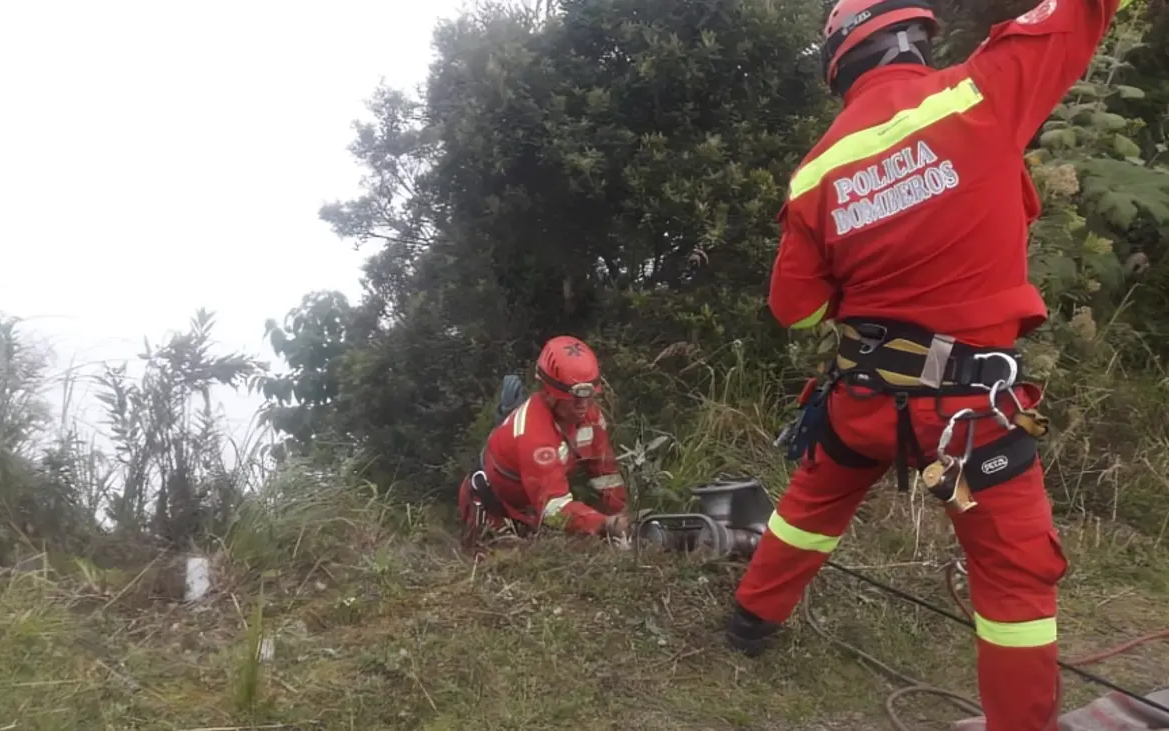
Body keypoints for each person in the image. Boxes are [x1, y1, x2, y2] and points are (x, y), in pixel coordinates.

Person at [725, 0, 1131, 728]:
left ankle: (751, 620)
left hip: (864, 399)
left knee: (811, 507)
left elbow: (797, 310)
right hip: (971, 417)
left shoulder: (817, 171)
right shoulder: (980, 92)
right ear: (916, 37)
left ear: (839, 63)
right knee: (1014, 583)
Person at [458, 335, 630, 543]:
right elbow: (554, 510)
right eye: (574, 397)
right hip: (493, 508)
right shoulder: (533, 434)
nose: (583, 405)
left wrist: (623, 515)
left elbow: (605, 473)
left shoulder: (590, 417)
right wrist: (605, 524)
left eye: (588, 396)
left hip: (530, 507)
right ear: (549, 394)